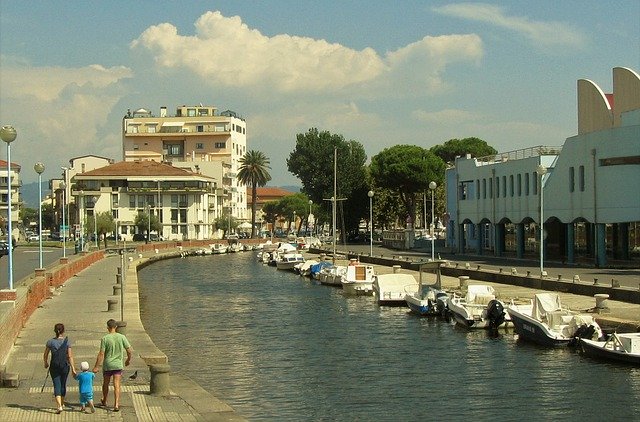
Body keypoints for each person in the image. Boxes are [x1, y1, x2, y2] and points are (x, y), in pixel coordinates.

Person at [93, 319, 132, 412]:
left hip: (108, 365)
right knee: (117, 384)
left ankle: (104, 400)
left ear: (107, 328)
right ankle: (116, 404)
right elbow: (129, 351)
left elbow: (101, 354)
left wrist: (96, 366)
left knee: (106, 383)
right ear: (116, 327)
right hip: (118, 364)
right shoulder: (122, 337)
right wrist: (128, 360)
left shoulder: (105, 338)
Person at [43, 323, 76, 414]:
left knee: (56, 384)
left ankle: (59, 406)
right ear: (63, 331)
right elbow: (70, 356)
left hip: (54, 365)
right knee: (63, 384)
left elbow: (45, 354)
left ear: (55, 331)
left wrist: (46, 363)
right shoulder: (67, 342)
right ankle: (62, 402)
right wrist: (73, 368)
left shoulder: (50, 342)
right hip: (65, 365)